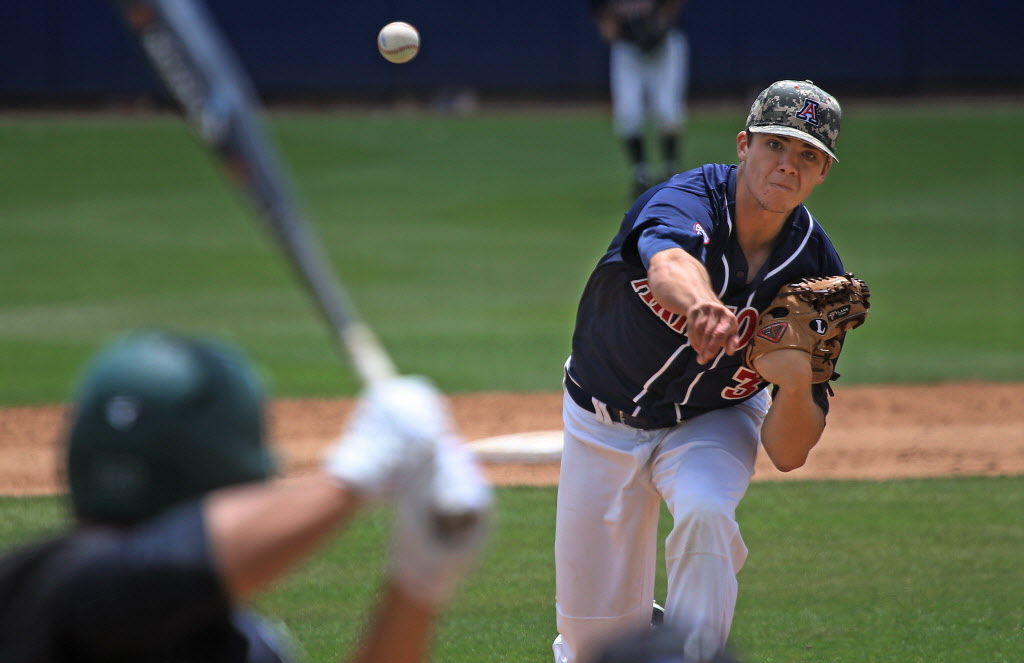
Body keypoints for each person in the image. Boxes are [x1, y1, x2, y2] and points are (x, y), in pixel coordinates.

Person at [552, 80, 844, 663]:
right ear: (744, 145)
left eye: (807, 155)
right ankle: (646, 628)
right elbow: (666, 260)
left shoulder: (816, 274)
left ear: (821, 174)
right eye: (776, 146)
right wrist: (701, 305)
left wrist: (792, 380)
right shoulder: (685, 199)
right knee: (591, 643)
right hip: (602, 419)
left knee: (707, 512)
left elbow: (789, 453)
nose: (788, 165)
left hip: (713, 420)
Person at [0, 330, 491, 663]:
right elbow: (157, 573)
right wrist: (348, 481)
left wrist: (419, 581)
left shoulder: (238, 641)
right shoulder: (41, 589)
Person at [589, 0, 690, 197]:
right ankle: (640, 174)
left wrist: (661, 22)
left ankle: (670, 171)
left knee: (667, 109)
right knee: (627, 113)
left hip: (664, 46)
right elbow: (604, 21)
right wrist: (608, 24)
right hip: (628, 48)